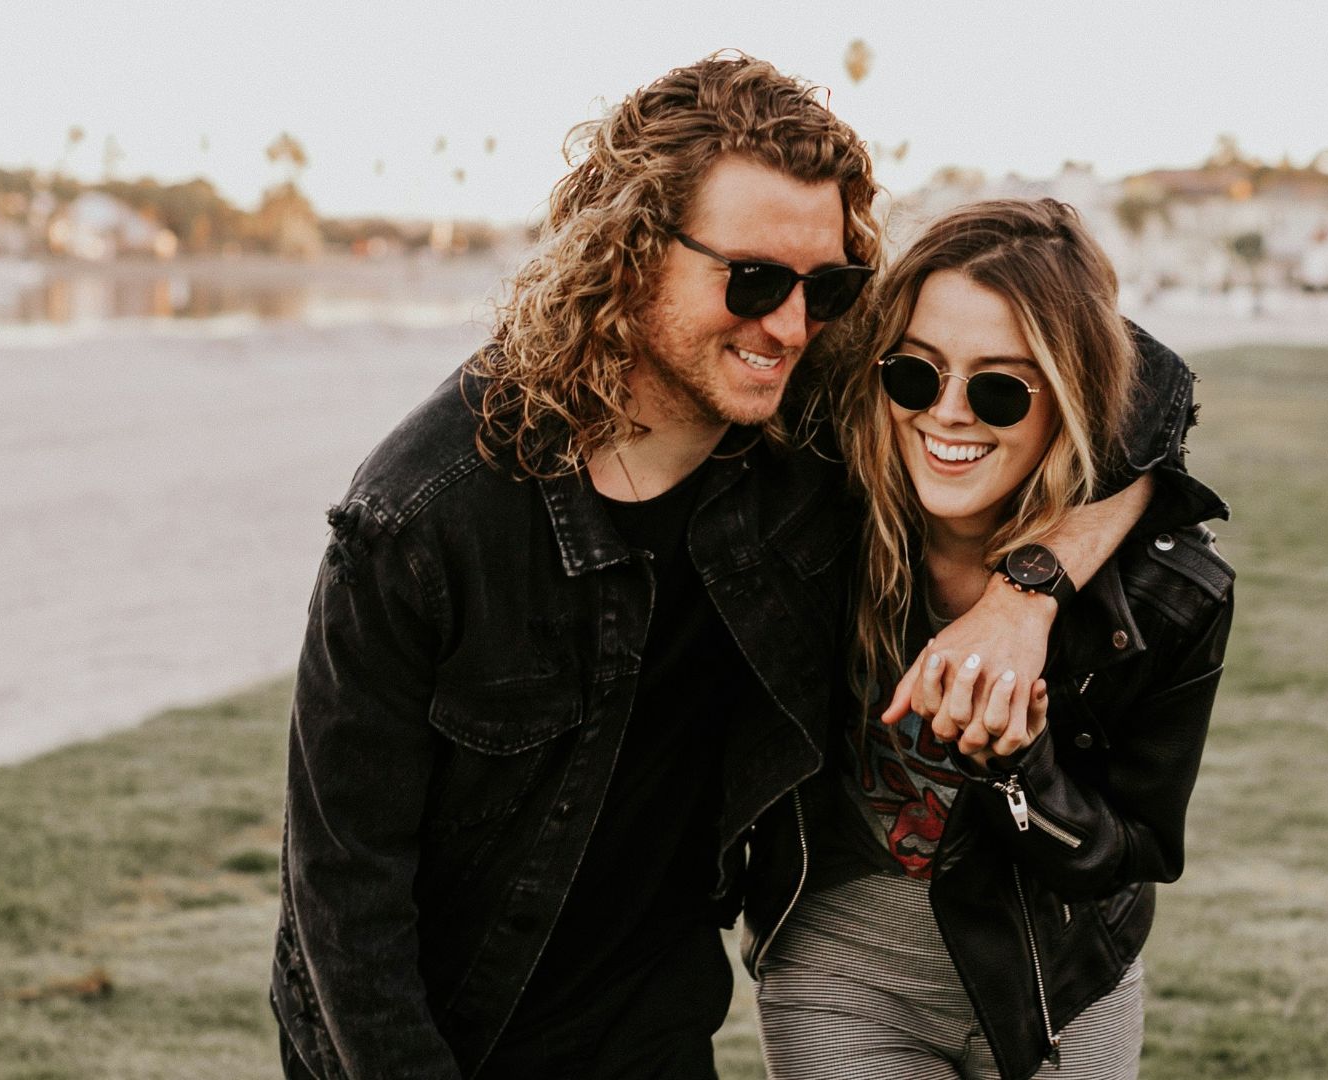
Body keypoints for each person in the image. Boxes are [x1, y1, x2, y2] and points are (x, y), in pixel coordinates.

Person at [270, 57, 1195, 1080]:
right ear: (627, 253)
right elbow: (343, 899)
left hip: (648, 1030)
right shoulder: (420, 522)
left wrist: (1026, 599)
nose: (792, 326)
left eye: (829, 286)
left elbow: (1143, 392)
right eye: (752, 279)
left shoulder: (793, 421)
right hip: (429, 1035)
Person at [743, 199, 1235, 1080]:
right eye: (917, 375)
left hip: (1062, 982)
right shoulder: (821, 505)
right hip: (844, 968)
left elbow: (1137, 850)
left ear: (1071, 399)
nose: (949, 415)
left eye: (1002, 387)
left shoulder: (1168, 595)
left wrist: (1021, 765)